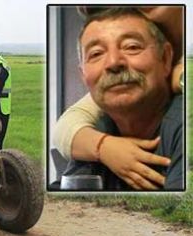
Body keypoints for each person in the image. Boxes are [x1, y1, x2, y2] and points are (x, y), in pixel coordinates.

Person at [53, 6, 184, 190]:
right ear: (83, 75)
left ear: (165, 58)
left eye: (132, 47)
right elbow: (66, 125)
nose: (114, 62)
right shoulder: (105, 122)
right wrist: (103, 147)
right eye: (96, 54)